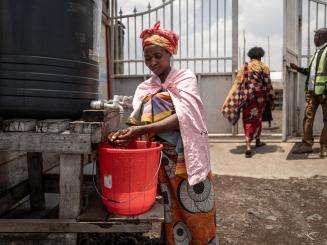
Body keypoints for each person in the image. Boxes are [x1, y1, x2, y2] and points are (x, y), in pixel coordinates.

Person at [109, 22, 217, 244]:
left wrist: (144, 128)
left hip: (185, 156)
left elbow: (186, 117)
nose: (152, 62)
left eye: (157, 56)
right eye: (147, 58)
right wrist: (128, 133)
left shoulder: (185, 79)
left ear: (169, 53)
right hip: (160, 159)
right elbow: (136, 118)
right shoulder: (145, 87)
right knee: (170, 210)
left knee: (197, 207)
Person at [222, 47, 274, 158]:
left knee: (247, 119)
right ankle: (257, 140)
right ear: (260, 56)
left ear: (250, 57)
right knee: (258, 118)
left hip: (247, 98)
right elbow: (268, 84)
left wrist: (230, 99)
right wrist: (271, 97)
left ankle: (248, 145)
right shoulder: (264, 67)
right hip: (260, 98)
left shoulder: (244, 67)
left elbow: (237, 83)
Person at [290, 28, 327, 158]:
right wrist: (297, 68)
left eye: (316, 35)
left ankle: (324, 145)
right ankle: (306, 145)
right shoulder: (317, 53)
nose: (314, 38)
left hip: (324, 94)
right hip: (312, 92)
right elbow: (310, 72)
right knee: (308, 117)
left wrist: (325, 92)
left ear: (322, 37)